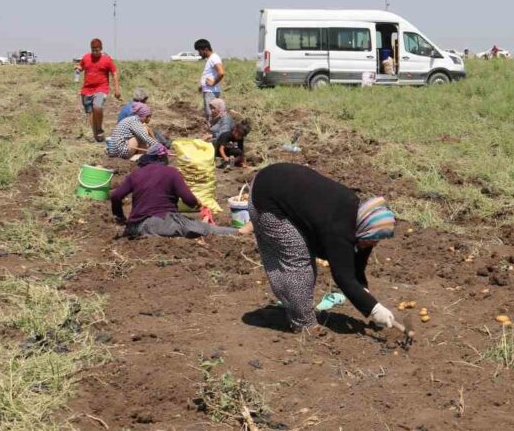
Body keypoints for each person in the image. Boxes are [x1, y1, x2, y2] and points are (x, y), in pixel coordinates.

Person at [249, 163, 398, 333]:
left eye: (377, 241)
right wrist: (374, 309)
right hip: (267, 196)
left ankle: (295, 307)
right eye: (373, 239)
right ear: (366, 228)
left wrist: (365, 294)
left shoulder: (360, 219)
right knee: (298, 260)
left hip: (279, 184)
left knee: (302, 254)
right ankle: (304, 324)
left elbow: (356, 267)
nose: (374, 244)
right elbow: (343, 277)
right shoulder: (339, 228)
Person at [111, 143, 245, 238]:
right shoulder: (171, 172)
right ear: (163, 158)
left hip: (134, 227)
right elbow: (188, 199)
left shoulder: (136, 174)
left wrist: (120, 217)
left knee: (185, 222)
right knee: (202, 228)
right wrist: (198, 204)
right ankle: (239, 232)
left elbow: (116, 195)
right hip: (159, 223)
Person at [77, 38, 120, 142]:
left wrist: (116, 89)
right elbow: (82, 67)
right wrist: (78, 68)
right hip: (87, 90)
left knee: (97, 107)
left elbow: (114, 72)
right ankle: (96, 135)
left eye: (97, 50)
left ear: (101, 49)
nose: (95, 52)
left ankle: (99, 128)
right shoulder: (86, 57)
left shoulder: (106, 59)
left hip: (101, 88)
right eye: (93, 50)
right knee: (90, 113)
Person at [195, 39, 225, 121]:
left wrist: (213, 83)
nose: (199, 53)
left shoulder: (214, 58)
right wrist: (202, 86)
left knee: (211, 115)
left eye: (199, 51)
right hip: (209, 91)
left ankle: (212, 132)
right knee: (210, 115)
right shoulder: (211, 59)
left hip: (211, 92)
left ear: (206, 49)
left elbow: (221, 72)